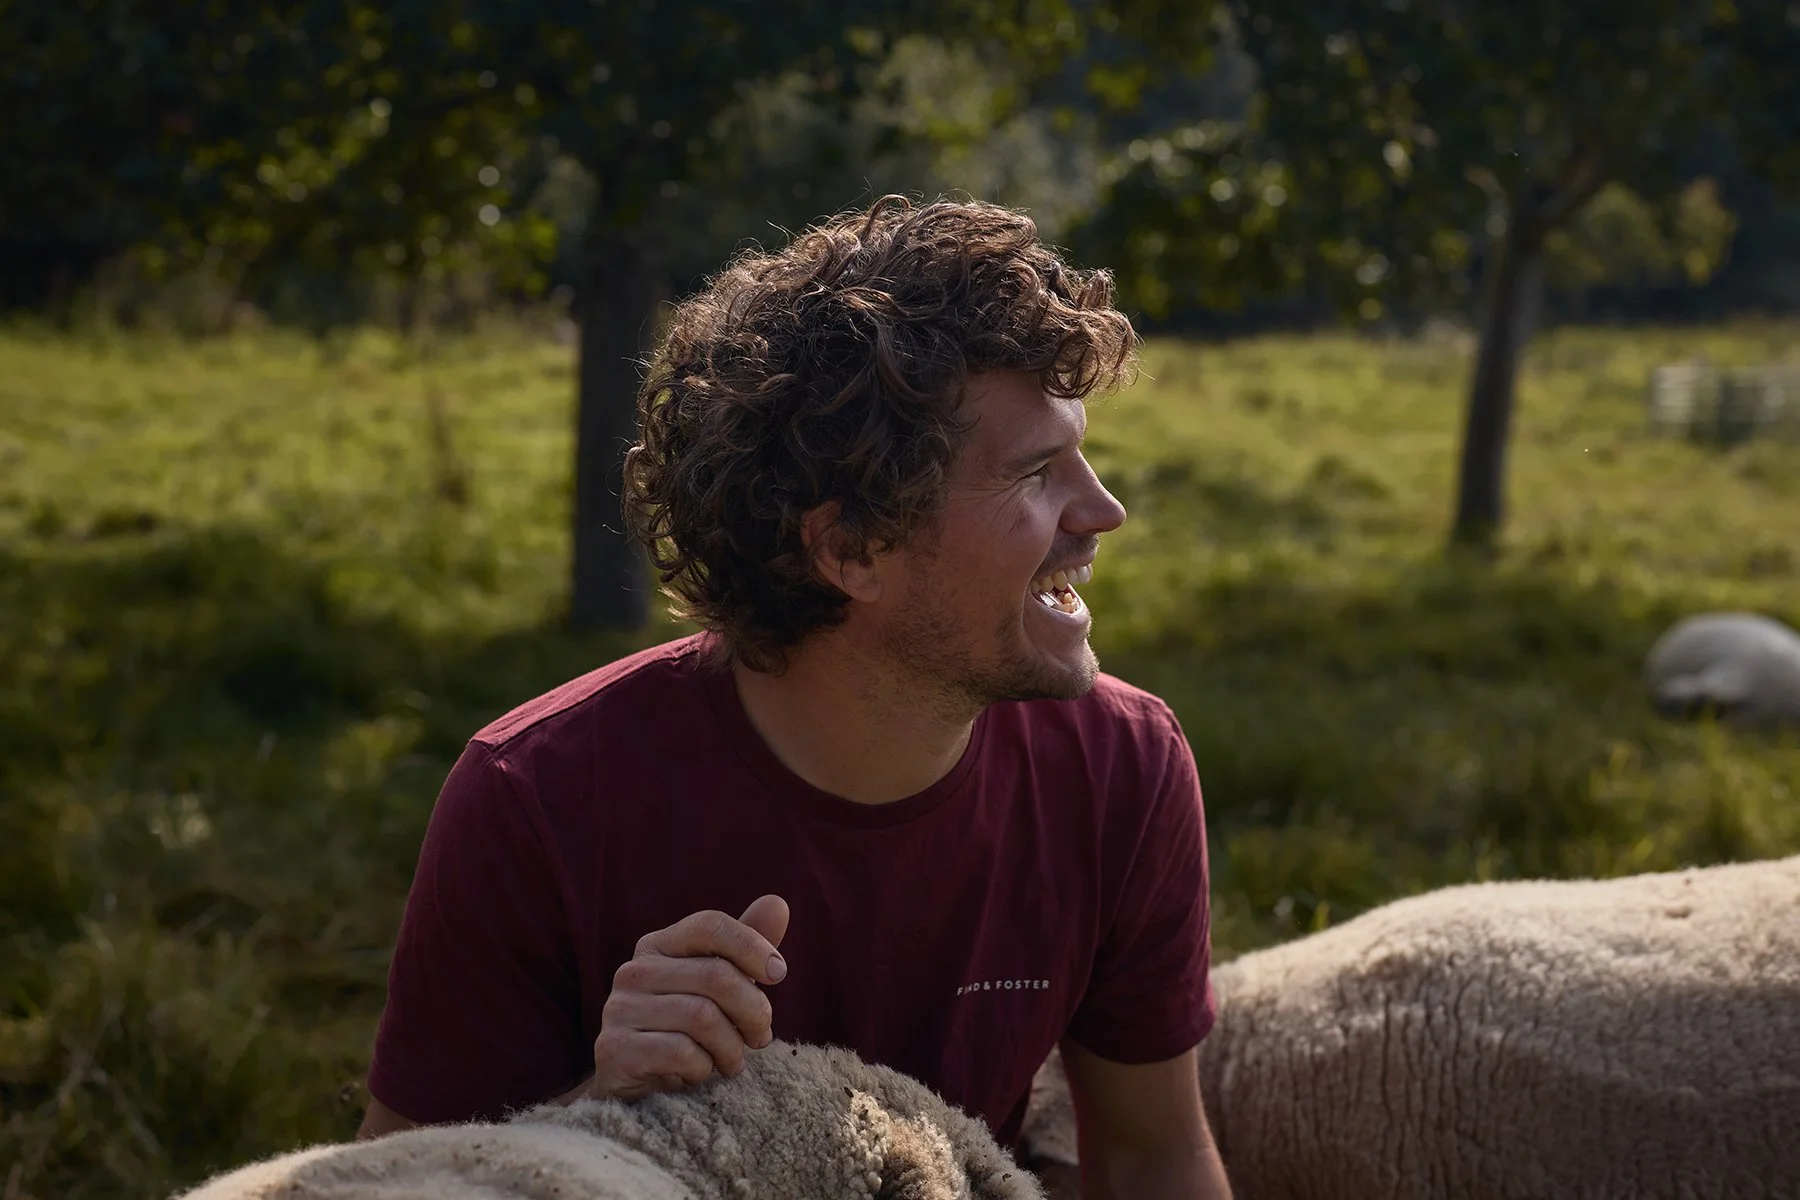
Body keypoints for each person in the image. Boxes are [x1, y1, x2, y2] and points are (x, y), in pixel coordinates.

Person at [356, 195, 1231, 1198]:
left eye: (1081, 451)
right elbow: (401, 1181)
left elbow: (1152, 1155)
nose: (1104, 511)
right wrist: (594, 1106)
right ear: (850, 547)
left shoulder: (1122, 765)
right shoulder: (537, 799)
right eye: (1035, 474)